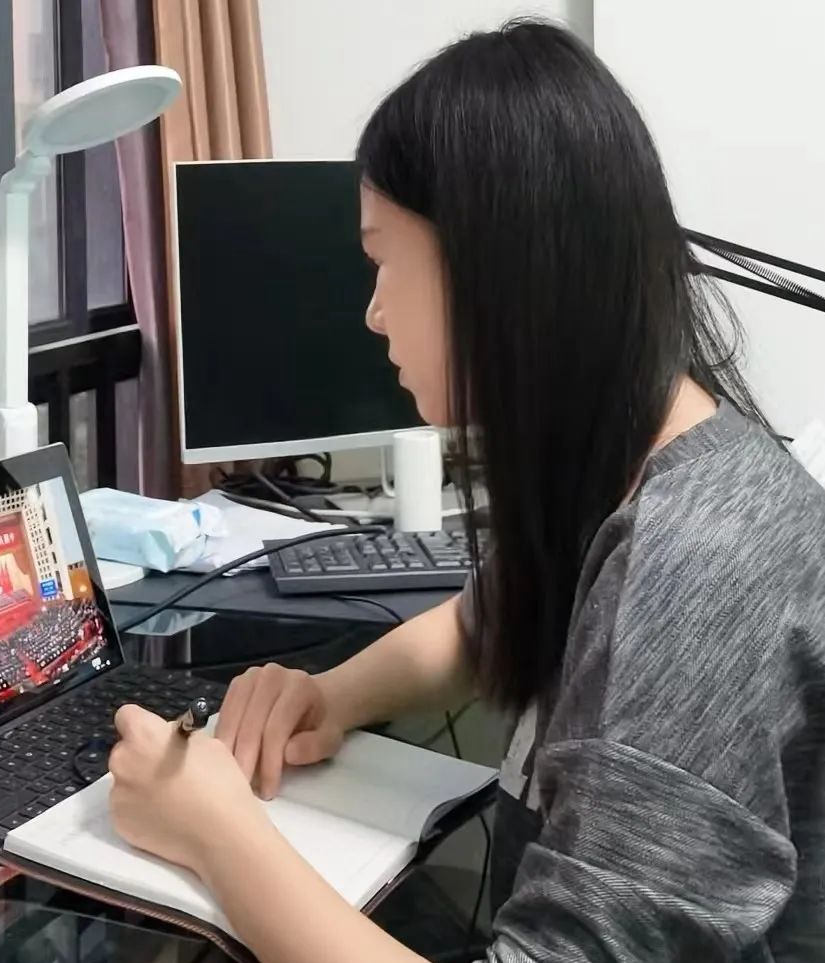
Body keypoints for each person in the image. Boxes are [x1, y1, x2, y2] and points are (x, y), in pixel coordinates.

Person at [106, 20, 825, 962]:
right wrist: (331, 694)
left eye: (381, 259)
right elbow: (489, 619)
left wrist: (215, 833)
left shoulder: (695, 568)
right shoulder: (634, 464)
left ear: (496, 268)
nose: (373, 312)